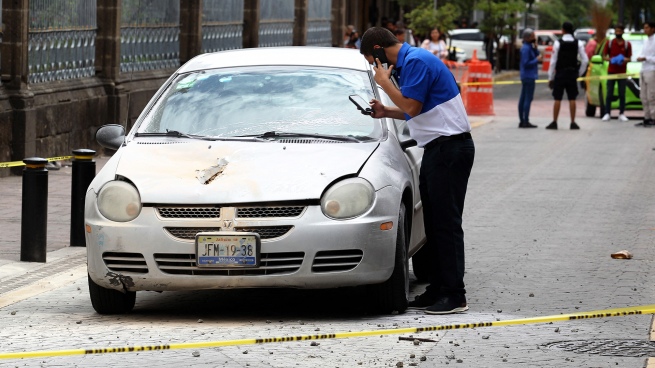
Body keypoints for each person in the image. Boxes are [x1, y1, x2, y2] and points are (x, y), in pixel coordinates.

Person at [359, 27, 475, 315]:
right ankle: (438, 288)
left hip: (449, 149)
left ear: (377, 49)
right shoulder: (411, 62)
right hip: (438, 149)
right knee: (434, 223)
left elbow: (412, 104)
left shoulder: (417, 61)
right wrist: (386, 113)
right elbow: (416, 110)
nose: (375, 67)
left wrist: (385, 84)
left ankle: (454, 295)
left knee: (446, 224)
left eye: (372, 60)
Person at [546, 22, 589, 130]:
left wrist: (550, 77)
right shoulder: (578, 43)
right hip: (572, 73)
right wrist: (579, 73)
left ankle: (555, 122)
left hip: (560, 73)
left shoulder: (557, 43)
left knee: (557, 98)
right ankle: (573, 122)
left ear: (563, 30)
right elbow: (585, 60)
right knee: (572, 98)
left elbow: (553, 61)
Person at [601, 24, 632, 122]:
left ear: (623, 32)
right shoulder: (609, 43)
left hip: (622, 72)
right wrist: (611, 59)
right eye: (616, 31)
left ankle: (621, 113)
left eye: (620, 31)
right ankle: (607, 113)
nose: (618, 32)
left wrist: (623, 59)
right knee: (609, 93)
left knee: (622, 93)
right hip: (611, 72)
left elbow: (629, 58)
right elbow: (604, 56)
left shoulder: (627, 44)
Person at [518, 28, 542, 128]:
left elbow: (536, 54)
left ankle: (523, 120)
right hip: (528, 75)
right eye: (532, 36)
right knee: (527, 98)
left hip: (528, 75)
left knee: (524, 97)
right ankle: (525, 120)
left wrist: (535, 48)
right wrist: (536, 60)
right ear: (527, 37)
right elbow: (526, 63)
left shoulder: (529, 47)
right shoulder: (526, 48)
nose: (534, 38)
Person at [636, 21, 655, 127]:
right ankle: (647, 117)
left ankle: (653, 117)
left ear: (653, 29)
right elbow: (642, 53)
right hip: (643, 70)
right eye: (644, 28)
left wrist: (646, 58)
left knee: (652, 95)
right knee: (643, 96)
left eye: (647, 28)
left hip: (652, 70)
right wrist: (640, 57)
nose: (645, 30)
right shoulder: (646, 40)